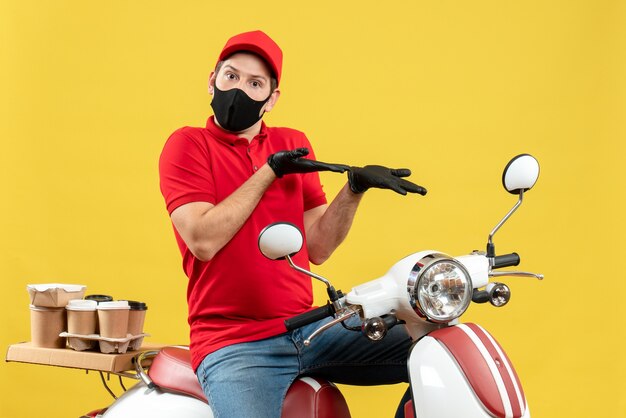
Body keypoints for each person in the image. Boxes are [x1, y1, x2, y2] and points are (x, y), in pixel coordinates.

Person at [159, 30, 426, 418]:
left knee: (437, 348)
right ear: (212, 79)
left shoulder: (292, 142)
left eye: (255, 84)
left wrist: (353, 190)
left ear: (272, 98)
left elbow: (317, 248)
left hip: (310, 329)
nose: (238, 90)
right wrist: (269, 171)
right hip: (234, 345)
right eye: (230, 76)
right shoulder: (187, 145)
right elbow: (202, 239)